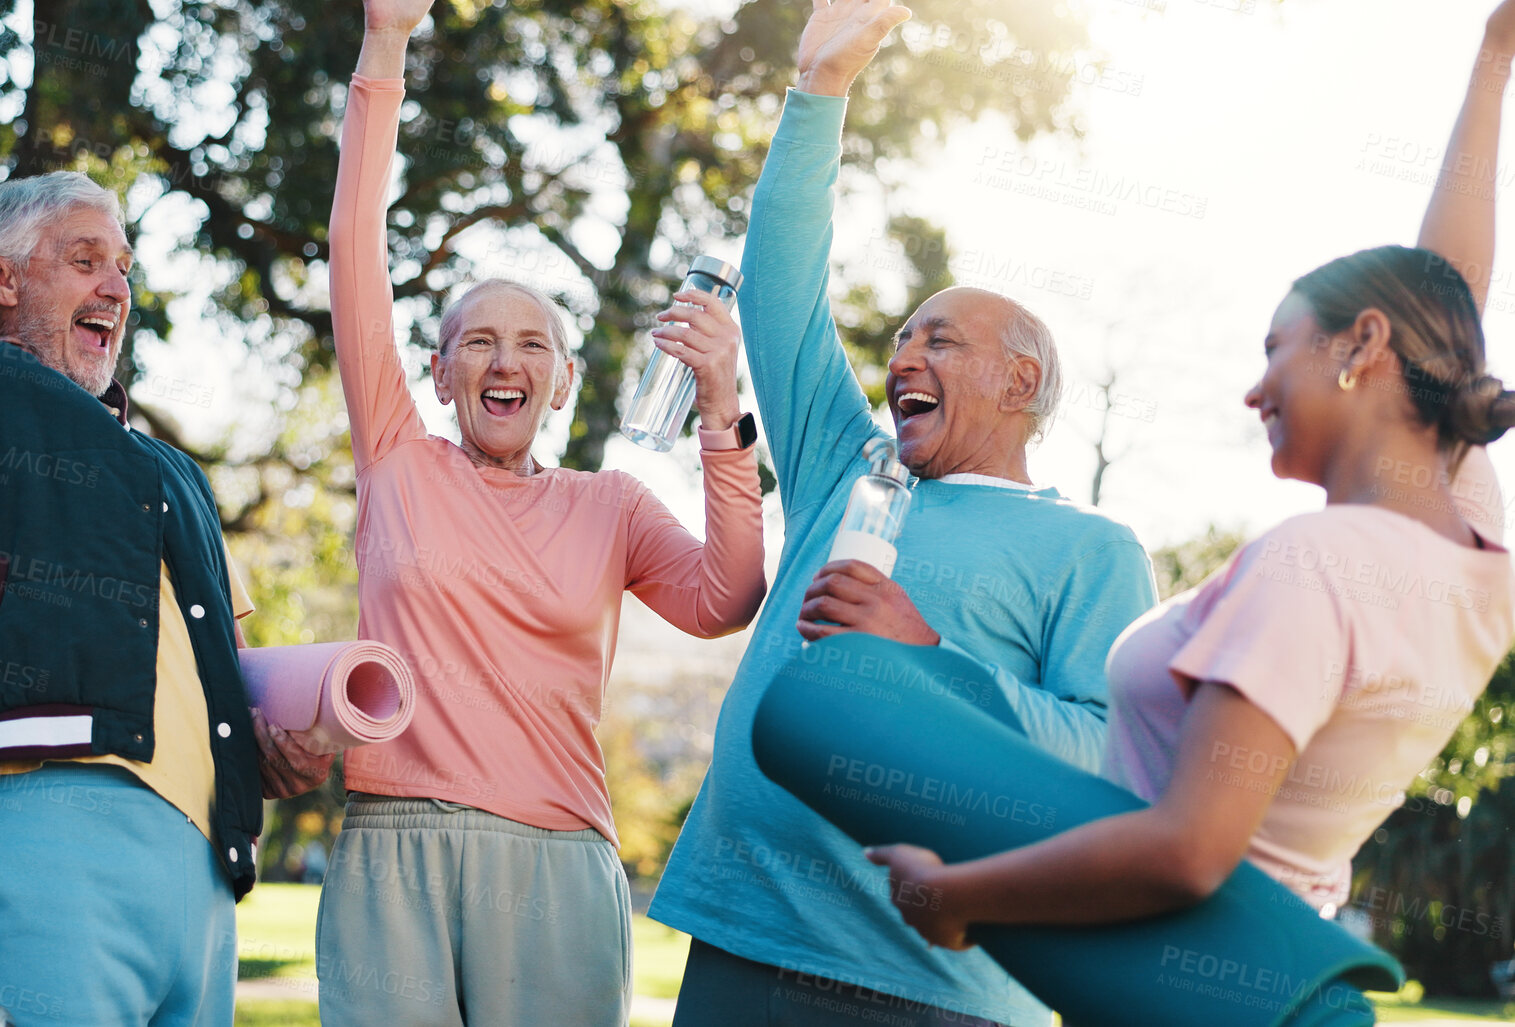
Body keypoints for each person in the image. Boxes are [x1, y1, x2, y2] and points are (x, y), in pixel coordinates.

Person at [869, 6, 1515, 1017]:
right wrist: (1494, 59)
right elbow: (1452, 301)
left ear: (1361, 345)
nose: (1253, 392)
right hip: (1272, 981)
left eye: (1274, 350)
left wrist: (957, 897)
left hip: (1183, 989)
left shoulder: (1319, 564)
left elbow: (1187, 850)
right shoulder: (1470, 552)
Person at [0, 1, 334, 1021]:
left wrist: (277, 746)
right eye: (87, 258)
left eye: (126, 267)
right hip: (35, 834)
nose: (118, 286)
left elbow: (222, 678)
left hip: (206, 877)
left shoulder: (174, 472)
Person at [649, 2, 1162, 1025]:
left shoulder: (1092, 549)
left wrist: (925, 653)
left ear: (1020, 381)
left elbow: (1112, 761)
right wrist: (818, 89)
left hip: (937, 986)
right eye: (900, 339)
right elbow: (781, 294)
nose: (903, 358)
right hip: (743, 938)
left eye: (941, 341)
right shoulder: (848, 470)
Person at [317, 1, 768, 1022]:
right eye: (478, 341)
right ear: (440, 372)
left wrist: (719, 405)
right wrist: (386, 38)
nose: (504, 359)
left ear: (562, 384)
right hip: (395, 846)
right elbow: (353, 244)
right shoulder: (398, 459)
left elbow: (728, 597)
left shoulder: (611, 506)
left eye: (531, 345)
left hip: (558, 859)